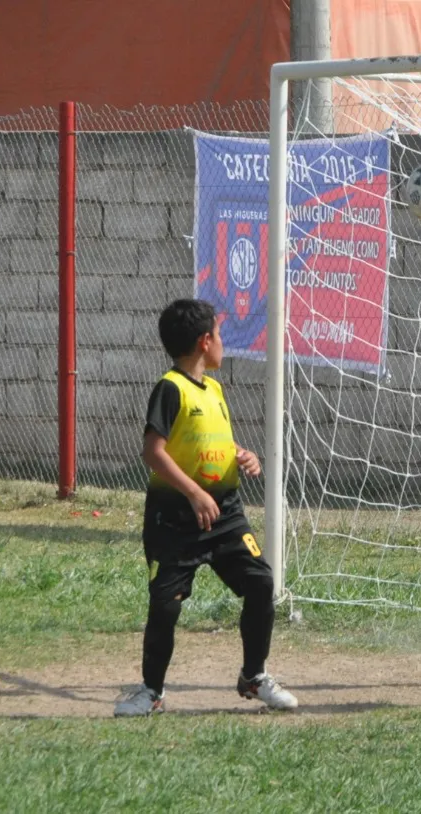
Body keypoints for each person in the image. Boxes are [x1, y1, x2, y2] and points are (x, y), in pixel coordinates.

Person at [113, 299, 298, 716]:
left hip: (226, 512)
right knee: (166, 603)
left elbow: (207, 439)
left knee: (260, 583)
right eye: (219, 334)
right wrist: (194, 493)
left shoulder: (213, 389)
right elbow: (153, 451)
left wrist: (241, 454)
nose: (223, 343)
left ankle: (254, 676)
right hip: (175, 516)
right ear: (204, 341)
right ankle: (151, 691)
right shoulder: (170, 388)